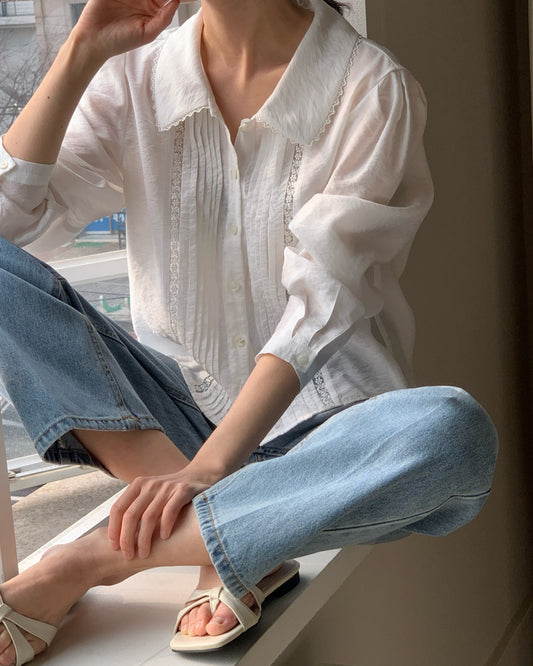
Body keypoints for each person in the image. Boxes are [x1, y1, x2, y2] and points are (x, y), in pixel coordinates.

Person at [0, 0, 498, 663]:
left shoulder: (370, 86)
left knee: (450, 433)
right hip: (175, 425)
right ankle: (238, 533)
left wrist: (211, 469)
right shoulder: (134, 77)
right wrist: (82, 50)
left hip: (322, 438)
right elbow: (11, 224)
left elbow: (321, 301)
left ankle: (94, 557)